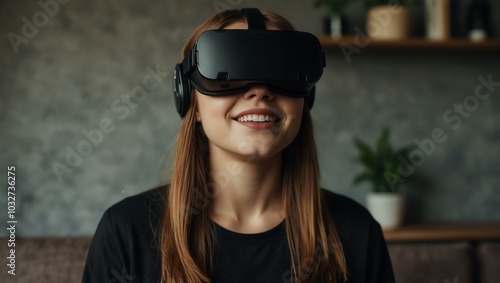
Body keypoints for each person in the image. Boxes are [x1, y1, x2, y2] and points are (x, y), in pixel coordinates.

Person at [82, 8, 395, 283]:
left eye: (280, 74)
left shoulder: (355, 231)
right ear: (190, 100)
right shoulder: (127, 232)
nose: (259, 91)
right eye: (228, 74)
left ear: (305, 99)